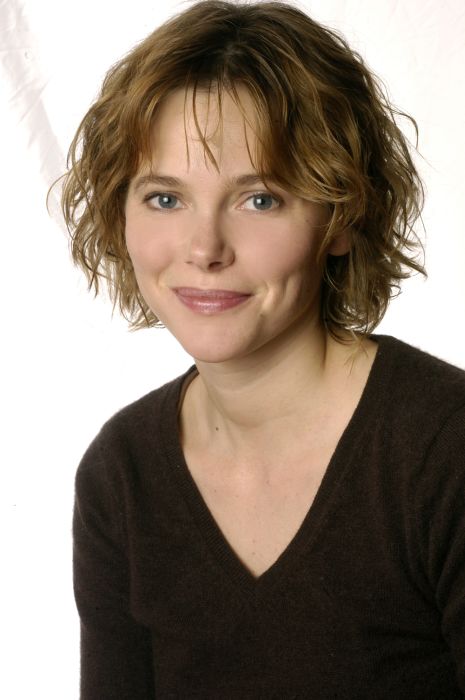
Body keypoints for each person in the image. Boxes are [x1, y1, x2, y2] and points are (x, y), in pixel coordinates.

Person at [61, 1, 465, 697]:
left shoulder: (444, 450)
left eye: (260, 199)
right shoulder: (122, 473)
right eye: (165, 198)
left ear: (341, 214)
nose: (204, 249)